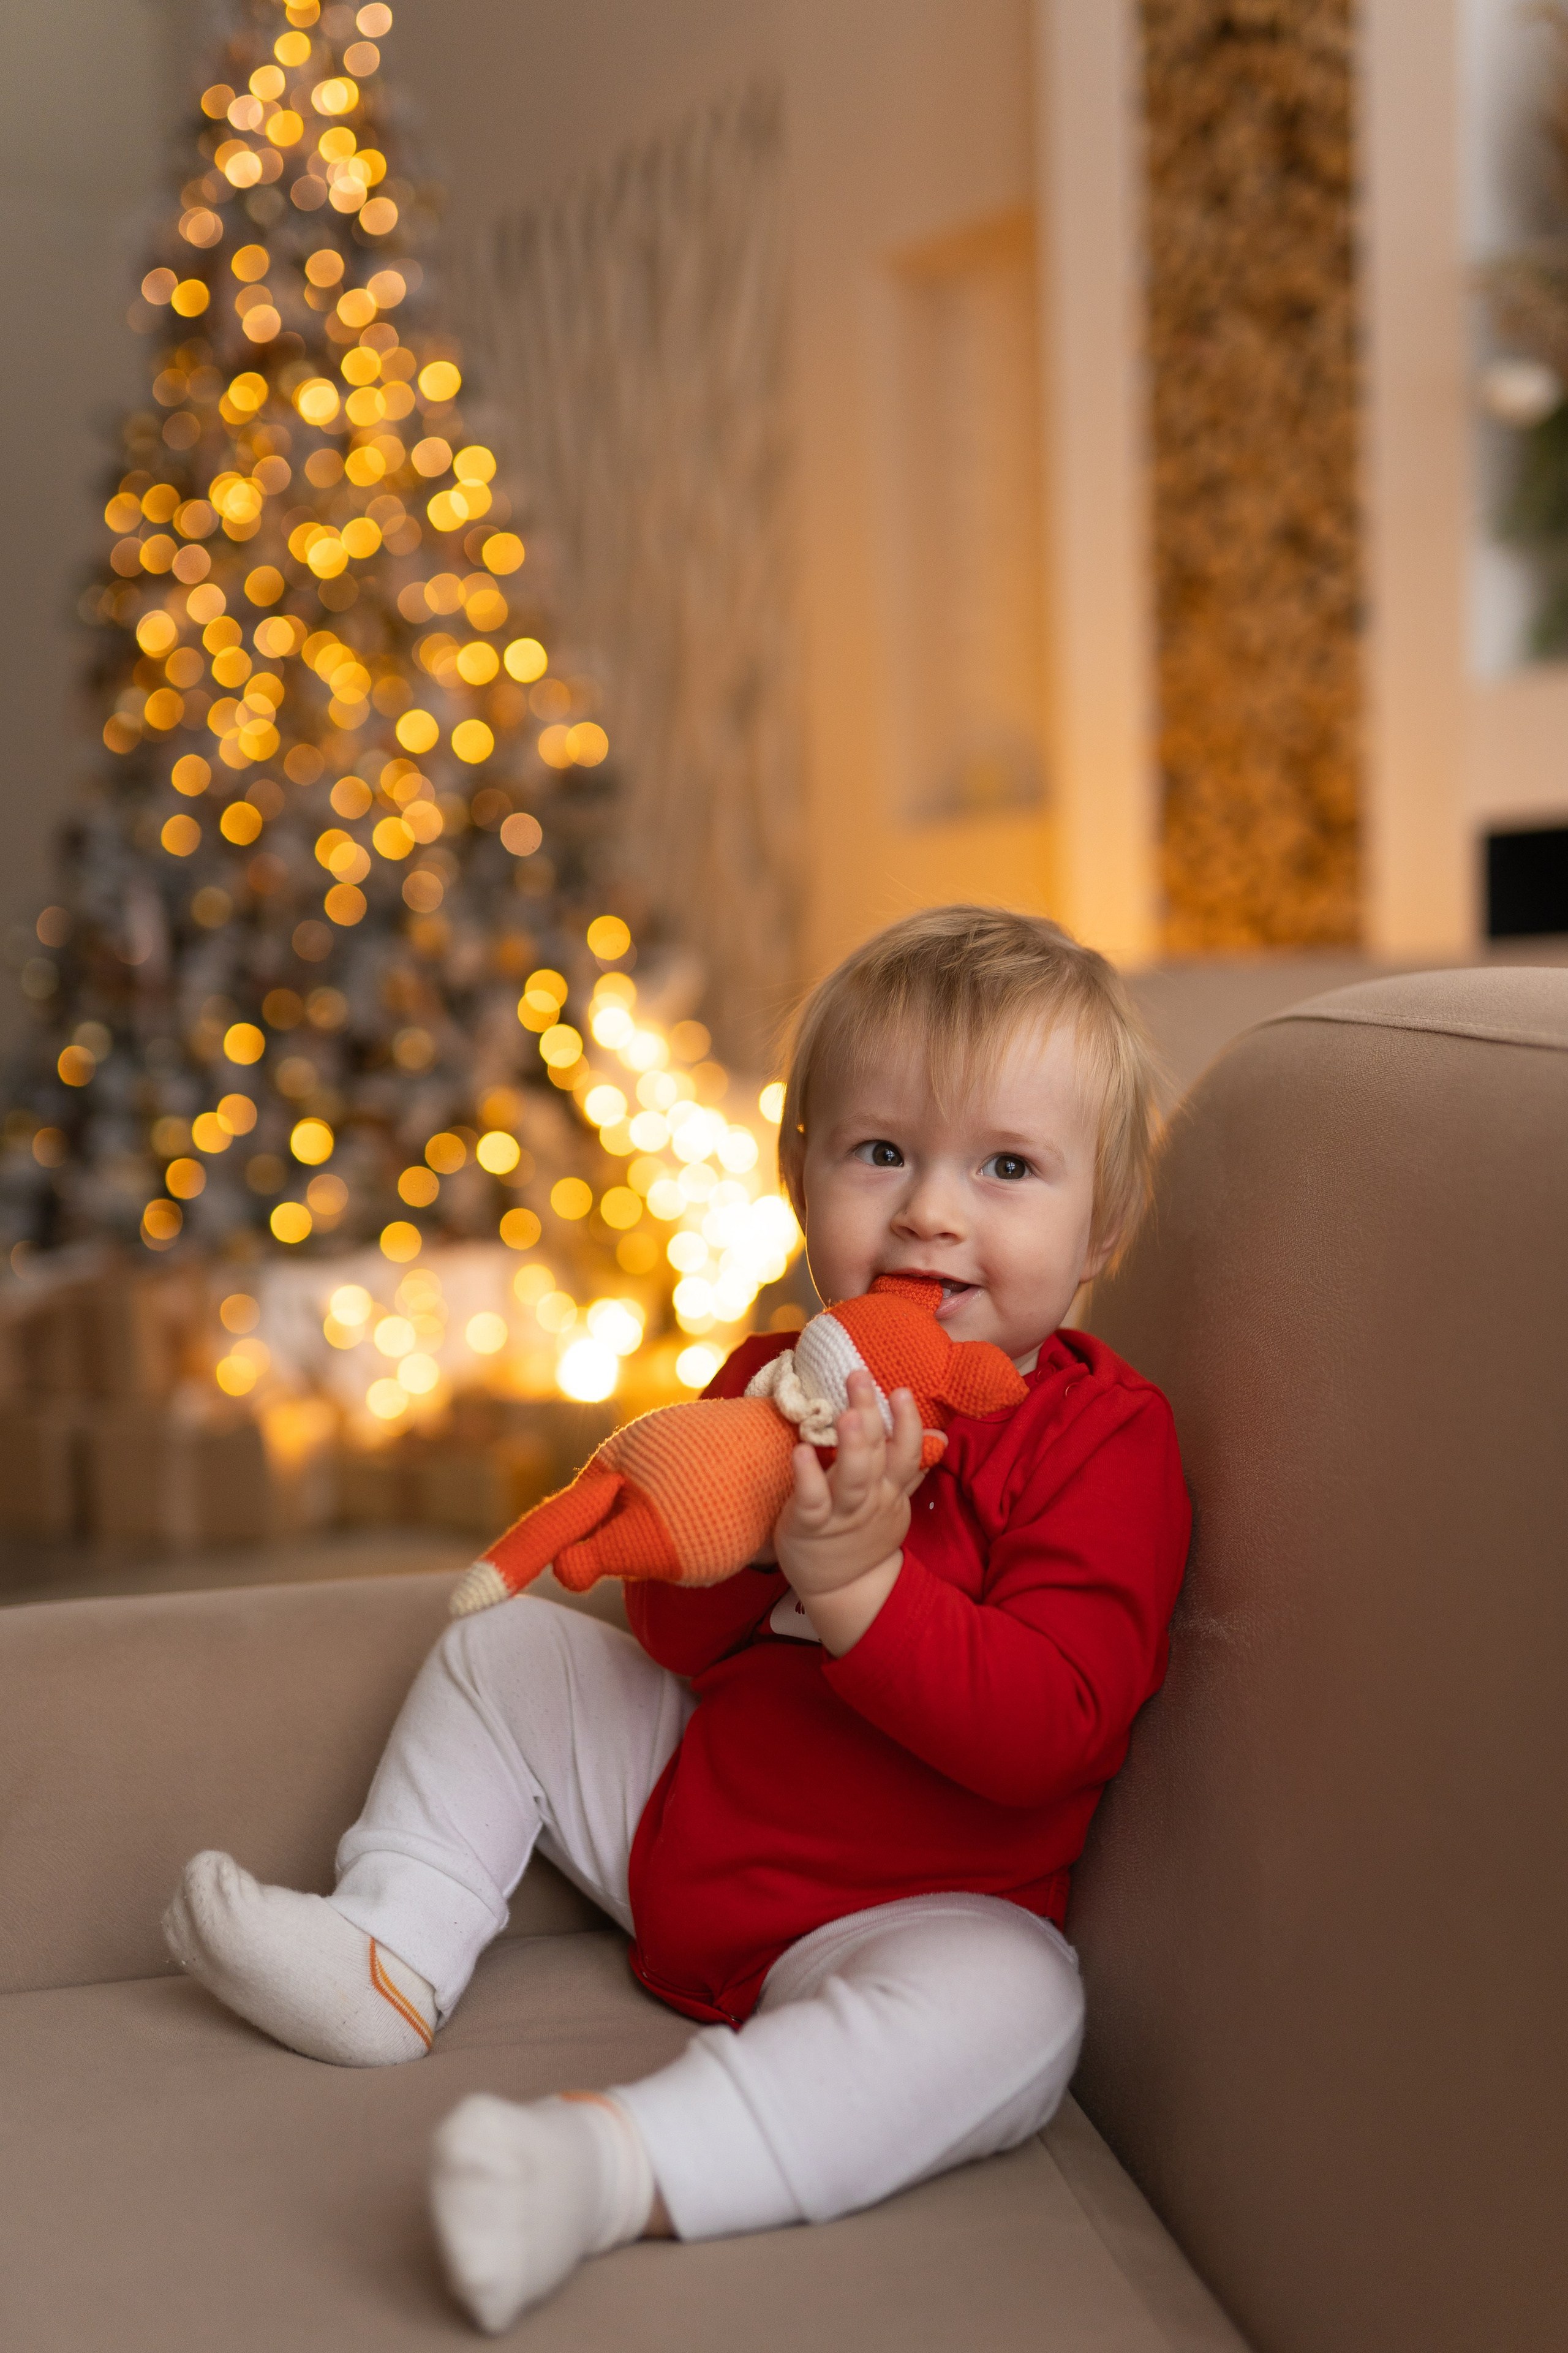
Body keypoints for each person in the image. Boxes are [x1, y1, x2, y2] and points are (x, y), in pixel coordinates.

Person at [163, 904, 1191, 2334]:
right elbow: (673, 1637)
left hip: (903, 1909)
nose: (928, 1213)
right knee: (503, 1645)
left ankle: (607, 2163)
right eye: (879, 1151)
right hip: (688, 1827)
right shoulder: (775, 1375)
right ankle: (387, 1949)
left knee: (1021, 2006)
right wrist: (739, 1522)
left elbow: (1054, 1729)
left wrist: (860, 1589)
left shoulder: (1104, 1439)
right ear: (801, 1176)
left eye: (1005, 1167)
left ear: (1101, 1231)